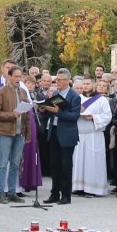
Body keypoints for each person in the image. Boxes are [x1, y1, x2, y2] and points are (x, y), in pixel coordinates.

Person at [0, 67, 27, 203]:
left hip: (20, 132)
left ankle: (12, 192)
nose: (18, 79)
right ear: (9, 77)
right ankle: (0, 193)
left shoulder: (23, 92)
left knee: (16, 163)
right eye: (16, 76)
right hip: (6, 132)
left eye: (20, 76)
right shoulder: (1, 92)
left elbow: (26, 111)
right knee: (3, 163)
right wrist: (12, 115)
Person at [44, 71, 80, 205]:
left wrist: (58, 112)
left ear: (67, 80)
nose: (57, 82)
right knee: (54, 165)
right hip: (53, 132)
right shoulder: (55, 94)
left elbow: (74, 117)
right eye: (56, 79)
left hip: (67, 134)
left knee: (65, 166)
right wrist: (45, 108)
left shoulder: (74, 96)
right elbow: (52, 112)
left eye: (60, 79)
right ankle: (54, 193)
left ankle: (66, 195)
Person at [73, 78, 111, 199]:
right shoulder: (78, 98)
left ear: (94, 84)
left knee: (93, 162)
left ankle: (93, 188)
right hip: (80, 135)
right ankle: (79, 187)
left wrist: (94, 117)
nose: (85, 86)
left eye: (88, 83)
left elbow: (107, 116)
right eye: (84, 83)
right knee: (79, 161)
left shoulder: (102, 100)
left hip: (94, 135)